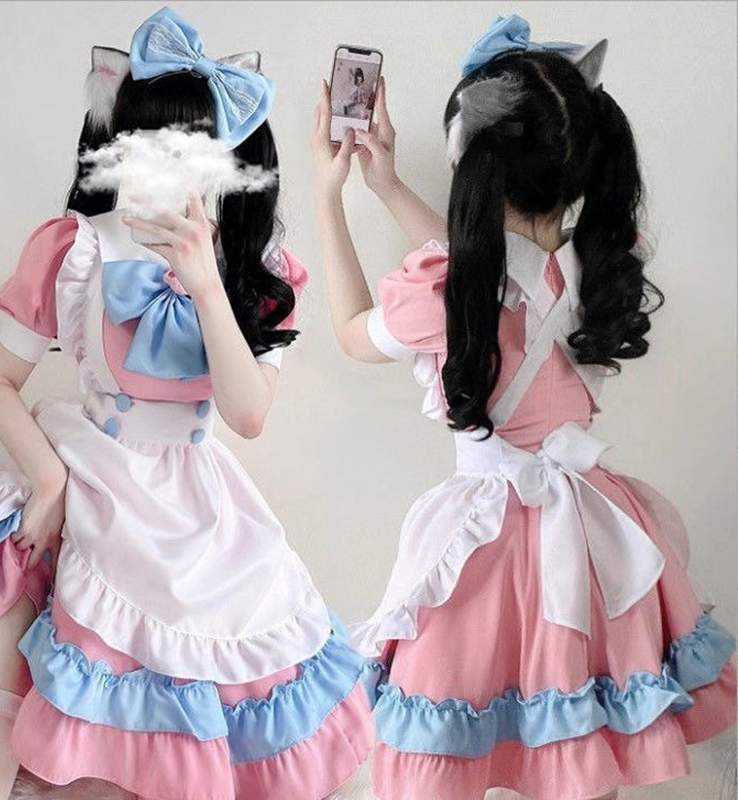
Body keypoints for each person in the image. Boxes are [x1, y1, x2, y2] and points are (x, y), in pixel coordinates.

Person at [0, 8, 374, 800]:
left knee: (163, 740)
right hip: (79, 468)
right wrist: (48, 481)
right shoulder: (74, 248)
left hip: (194, 508)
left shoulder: (262, 271)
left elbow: (248, 416)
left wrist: (205, 280)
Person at [311, 14, 736, 800]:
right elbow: (483, 268)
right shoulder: (600, 264)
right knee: (579, 736)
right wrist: (389, 187)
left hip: (486, 542)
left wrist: (328, 198)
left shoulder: (442, 291)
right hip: (595, 530)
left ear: (471, 162)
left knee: (448, 733)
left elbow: (355, 331)